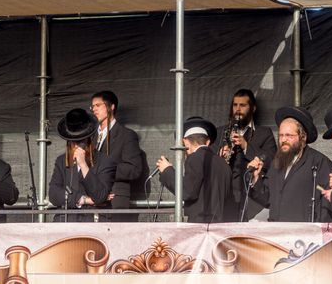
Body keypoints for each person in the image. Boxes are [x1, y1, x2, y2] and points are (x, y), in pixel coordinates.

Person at [249, 106, 332, 222]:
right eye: (281, 135)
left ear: (303, 137)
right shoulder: (277, 162)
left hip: (303, 234)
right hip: (277, 231)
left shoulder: (319, 162)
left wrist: (318, 231)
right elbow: (268, 199)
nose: (283, 140)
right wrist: (256, 179)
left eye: (289, 136)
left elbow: (327, 203)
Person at [210, 89, 277, 221]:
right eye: (235, 105)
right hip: (224, 200)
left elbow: (272, 160)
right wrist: (219, 156)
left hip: (252, 201)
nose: (238, 109)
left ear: (253, 108)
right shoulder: (220, 132)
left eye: (243, 105)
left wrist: (246, 146)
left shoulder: (264, 133)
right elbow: (207, 162)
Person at [156, 117, 232, 223]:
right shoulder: (223, 164)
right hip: (221, 225)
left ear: (185, 142)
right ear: (208, 142)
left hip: (200, 226)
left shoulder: (195, 158)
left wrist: (167, 170)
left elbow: (188, 192)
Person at [49, 108, 116, 222]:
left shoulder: (105, 161)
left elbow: (99, 196)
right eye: (72, 141)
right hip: (65, 222)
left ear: (88, 140)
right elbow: (54, 194)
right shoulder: (61, 161)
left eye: (80, 141)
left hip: (93, 223)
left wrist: (84, 165)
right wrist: (83, 199)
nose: (76, 145)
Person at [90, 91, 144, 222]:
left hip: (115, 201)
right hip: (91, 201)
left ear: (111, 106)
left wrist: (106, 169)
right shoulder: (90, 137)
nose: (94, 109)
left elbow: (134, 169)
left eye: (98, 105)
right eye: (92, 106)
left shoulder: (126, 135)